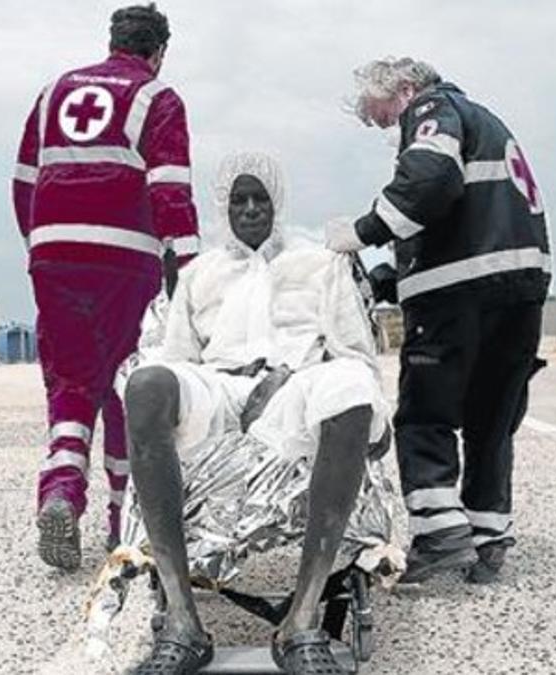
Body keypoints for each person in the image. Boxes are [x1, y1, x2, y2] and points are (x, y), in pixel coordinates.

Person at [124, 153, 389, 674]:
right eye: (238, 199)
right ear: (225, 207)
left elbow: (355, 353)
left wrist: (286, 378)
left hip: (296, 385)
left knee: (352, 386)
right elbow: (179, 359)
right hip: (220, 386)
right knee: (149, 383)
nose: (249, 209)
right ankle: (183, 621)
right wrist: (211, 389)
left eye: (259, 198)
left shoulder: (319, 263)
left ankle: (302, 620)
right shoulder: (200, 274)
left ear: (277, 202)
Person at [326, 57, 552, 584]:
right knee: (490, 419)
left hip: (459, 294)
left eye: (381, 115)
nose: (383, 128)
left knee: (424, 417)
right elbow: (455, 215)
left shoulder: (433, 108)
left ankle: (438, 534)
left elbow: (429, 180)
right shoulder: (485, 123)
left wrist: (362, 231)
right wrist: (386, 279)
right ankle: (486, 537)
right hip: (519, 289)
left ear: (404, 90)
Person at [10, 3, 199, 571]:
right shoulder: (157, 99)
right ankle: (122, 525)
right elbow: (170, 191)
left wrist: (42, 247)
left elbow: (24, 182)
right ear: (158, 52)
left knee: (69, 383)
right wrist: (189, 275)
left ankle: (62, 491)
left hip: (55, 256)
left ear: (112, 40)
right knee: (124, 387)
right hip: (125, 261)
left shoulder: (53, 93)